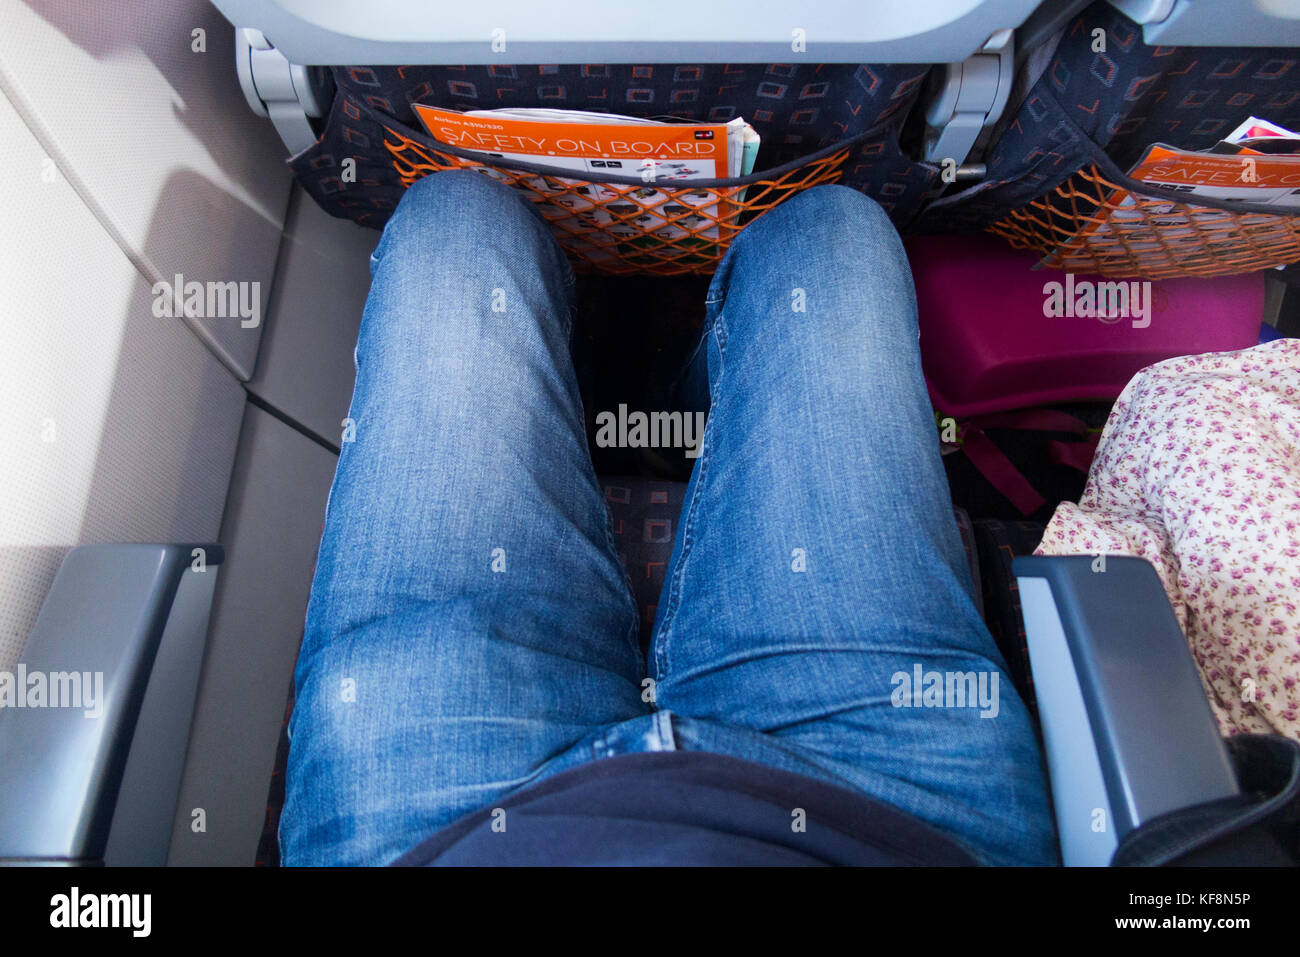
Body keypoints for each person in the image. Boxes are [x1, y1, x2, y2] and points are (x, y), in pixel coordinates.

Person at [278, 171, 1056, 866]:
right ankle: (676, 416)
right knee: (831, 237)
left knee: (455, 225)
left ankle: (652, 415)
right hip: (888, 812)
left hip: (443, 823)